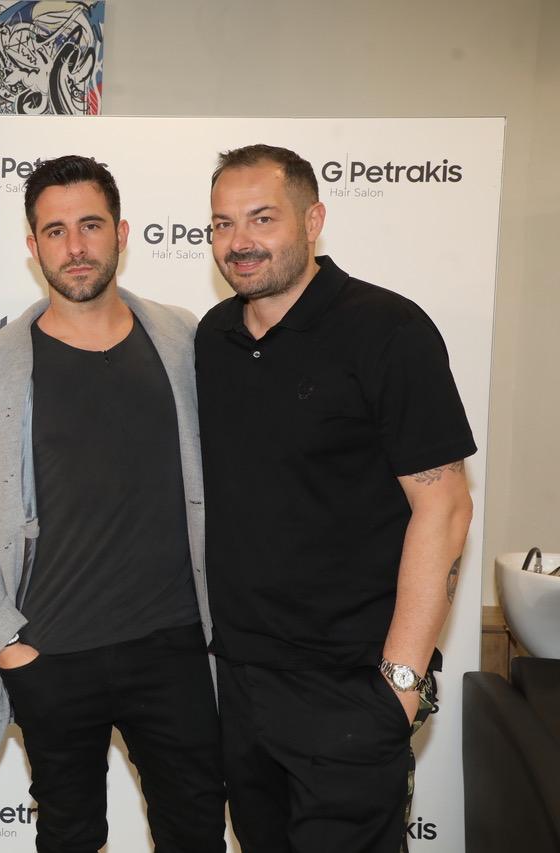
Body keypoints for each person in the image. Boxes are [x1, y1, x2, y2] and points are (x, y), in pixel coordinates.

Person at [0, 155, 225, 853]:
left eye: (91, 225)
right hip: (52, 655)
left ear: (122, 233)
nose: (75, 246)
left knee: (195, 833)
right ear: (32, 246)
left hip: (175, 647)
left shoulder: (184, 340)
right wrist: (7, 643)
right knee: (69, 838)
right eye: (55, 230)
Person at [196, 144, 475, 852]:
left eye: (262, 218)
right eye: (224, 224)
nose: (240, 241)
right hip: (242, 685)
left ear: (313, 220)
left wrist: (400, 683)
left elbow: (445, 505)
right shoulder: (213, 337)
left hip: (352, 687)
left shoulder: (388, 329)